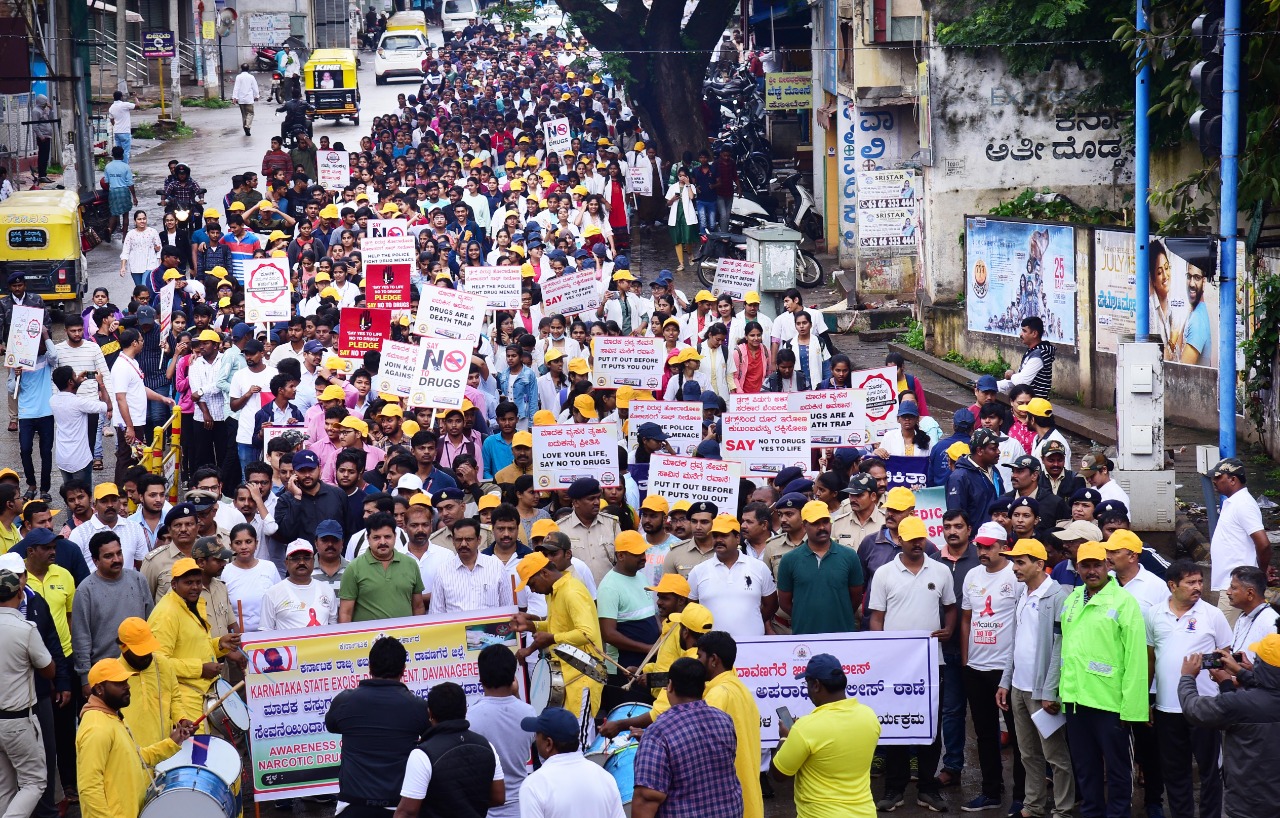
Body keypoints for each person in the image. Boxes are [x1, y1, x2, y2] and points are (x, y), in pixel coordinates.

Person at [867, 515, 954, 813]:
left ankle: (927, 788)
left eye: (922, 539)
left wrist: (950, 629)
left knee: (931, 725)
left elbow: (951, 607)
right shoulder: (884, 573)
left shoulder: (941, 571)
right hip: (895, 664)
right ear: (900, 540)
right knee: (894, 726)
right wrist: (880, 653)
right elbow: (876, 617)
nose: (919, 544)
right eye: (912, 539)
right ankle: (895, 788)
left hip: (931, 662)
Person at [1058, 540, 1148, 818]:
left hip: (1111, 706)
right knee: (1086, 770)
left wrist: (1132, 710)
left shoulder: (1124, 602)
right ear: (1078, 568)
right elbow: (1067, 651)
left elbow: (1136, 659)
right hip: (1076, 701)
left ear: (1108, 566)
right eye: (1086, 565)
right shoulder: (1072, 600)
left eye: (1097, 564)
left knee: (1119, 772)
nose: (1092, 571)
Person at [1146, 559, 1231, 818]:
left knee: (1210, 771)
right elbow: (1151, 658)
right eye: (1190, 582)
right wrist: (1146, 699)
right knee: (1175, 772)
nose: (1198, 587)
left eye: (1200, 581)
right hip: (1167, 707)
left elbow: (1225, 655)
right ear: (1172, 585)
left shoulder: (1212, 615)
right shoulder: (1154, 614)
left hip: (1204, 705)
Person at [997, 538, 1075, 818]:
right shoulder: (1023, 594)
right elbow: (1016, 642)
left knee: (1055, 756)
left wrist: (1050, 690)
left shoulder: (1058, 597)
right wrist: (1006, 681)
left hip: (1042, 692)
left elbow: (1060, 647)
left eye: (1020, 562)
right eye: (1014, 562)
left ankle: (1064, 809)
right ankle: (1033, 806)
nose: (1014, 568)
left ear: (1040, 564)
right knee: (1028, 753)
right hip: (1019, 687)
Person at [325, 637, 432, 817]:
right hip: (398, 807)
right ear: (403, 670)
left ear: (370, 667)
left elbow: (332, 725)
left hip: (351, 804)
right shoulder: (418, 706)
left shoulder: (345, 701)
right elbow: (431, 739)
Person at [75, 658, 193, 818]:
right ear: (100, 689)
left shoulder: (113, 717)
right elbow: (89, 788)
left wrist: (172, 742)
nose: (127, 686)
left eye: (126, 681)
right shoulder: (97, 728)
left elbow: (135, 759)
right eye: (119, 683)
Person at [959, 524, 1024, 813]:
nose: (982, 551)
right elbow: (965, 620)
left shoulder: (1016, 576)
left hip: (1006, 668)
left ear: (1003, 545)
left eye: (988, 546)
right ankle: (991, 791)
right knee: (984, 733)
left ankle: (1022, 794)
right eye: (979, 546)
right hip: (976, 666)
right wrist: (965, 661)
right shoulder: (972, 575)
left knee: (1019, 734)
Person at [769, 653, 881, 818]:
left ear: (816, 685)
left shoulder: (805, 728)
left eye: (806, 683)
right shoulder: (869, 717)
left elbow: (778, 774)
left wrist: (785, 738)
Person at [632, 657, 742, 818]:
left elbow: (646, 799)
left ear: (669, 686)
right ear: (704, 687)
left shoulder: (658, 733)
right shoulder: (724, 720)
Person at [511, 551, 605, 726]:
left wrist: (552, 638)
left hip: (583, 676)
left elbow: (587, 633)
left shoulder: (571, 592)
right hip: (567, 677)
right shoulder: (554, 592)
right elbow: (561, 626)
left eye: (532, 583)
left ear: (545, 573)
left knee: (580, 744)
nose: (531, 589)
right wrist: (533, 625)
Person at [146, 557, 240, 725]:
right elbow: (157, 663)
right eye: (188, 583)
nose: (195, 587)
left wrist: (219, 644)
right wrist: (200, 669)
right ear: (174, 584)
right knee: (197, 749)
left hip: (203, 697)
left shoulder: (192, 605)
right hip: (183, 702)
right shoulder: (166, 613)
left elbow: (193, 646)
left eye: (198, 582)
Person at [391, 681, 504, 818]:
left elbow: (407, 812)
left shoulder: (422, 754)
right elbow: (498, 797)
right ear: (465, 710)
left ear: (430, 714)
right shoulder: (487, 746)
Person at [0, 565, 55, 818]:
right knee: (34, 782)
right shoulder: (25, 629)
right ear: (20, 594)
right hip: (17, 720)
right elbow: (49, 669)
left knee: (5, 786)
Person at [71, 531, 154, 690]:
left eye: (119, 553)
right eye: (109, 556)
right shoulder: (85, 590)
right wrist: (85, 679)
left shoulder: (138, 580)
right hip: (106, 673)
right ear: (95, 561)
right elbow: (81, 637)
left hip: (141, 667)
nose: (116, 559)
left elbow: (151, 622)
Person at [696, 630, 764, 818]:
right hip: (749, 796)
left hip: (730, 802)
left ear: (714, 660)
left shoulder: (718, 694)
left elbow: (699, 741)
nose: (697, 662)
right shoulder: (741, 688)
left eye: (700, 656)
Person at [465, 645, 536, 818]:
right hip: (520, 807)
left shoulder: (470, 718)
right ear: (513, 676)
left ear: (481, 678)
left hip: (485, 808)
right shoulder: (529, 713)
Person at [518, 706, 626, 818]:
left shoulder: (534, 786)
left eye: (537, 734)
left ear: (548, 744)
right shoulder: (606, 778)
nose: (535, 738)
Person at [777, 501, 864, 634]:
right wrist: (805, 616)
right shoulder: (789, 560)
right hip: (804, 637)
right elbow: (784, 602)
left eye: (825, 521)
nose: (822, 527)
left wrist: (839, 613)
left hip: (842, 635)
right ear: (804, 525)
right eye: (815, 523)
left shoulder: (849, 556)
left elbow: (856, 597)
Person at [687, 515, 777, 638]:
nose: (718, 540)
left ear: (737, 538)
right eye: (715, 536)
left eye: (724, 535)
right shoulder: (698, 571)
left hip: (752, 646)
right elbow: (691, 608)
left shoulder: (758, 567)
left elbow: (771, 605)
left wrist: (751, 621)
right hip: (711, 649)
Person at [1207, 457, 1272, 626]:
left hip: (1239, 586)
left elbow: (1263, 543)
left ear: (1233, 479)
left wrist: (1259, 573)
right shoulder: (1233, 502)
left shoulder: (1243, 504)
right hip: (1234, 583)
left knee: (1222, 638)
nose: (1214, 481)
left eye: (1218, 477)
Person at [339, 512, 425, 622]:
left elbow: (418, 607)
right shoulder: (354, 568)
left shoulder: (410, 564)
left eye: (387, 537)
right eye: (376, 537)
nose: (383, 542)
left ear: (395, 536)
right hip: (368, 637)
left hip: (404, 637)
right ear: (368, 538)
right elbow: (345, 613)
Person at [114, 616, 181, 750]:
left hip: (164, 754)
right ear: (123, 647)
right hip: (130, 757)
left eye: (148, 649)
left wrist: (181, 718)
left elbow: (175, 699)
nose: (147, 656)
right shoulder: (113, 677)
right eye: (140, 651)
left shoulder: (163, 664)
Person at [429, 518, 512, 613]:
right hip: (456, 627)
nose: (463, 544)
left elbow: (507, 607)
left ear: (479, 540)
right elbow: (436, 612)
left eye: (468, 539)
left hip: (489, 627)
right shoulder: (442, 571)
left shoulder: (496, 566)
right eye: (459, 540)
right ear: (453, 541)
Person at [260, 539, 336, 629]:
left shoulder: (327, 590)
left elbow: (333, 627)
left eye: (307, 558)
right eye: (295, 558)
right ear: (286, 563)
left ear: (314, 561)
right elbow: (265, 632)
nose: (301, 562)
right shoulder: (273, 593)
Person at [558, 477, 620, 585]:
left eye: (598, 498)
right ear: (576, 502)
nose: (597, 502)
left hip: (609, 592)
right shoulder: (560, 528)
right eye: (591, 499)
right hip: (577, 595)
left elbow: (621, 560)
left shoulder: (612, 524)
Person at [946, 428, 1005, 528]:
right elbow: (955, 517)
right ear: (980, 451)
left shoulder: (994, 470)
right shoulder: (959, 477)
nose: (998, 452)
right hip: (975, 539)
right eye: (993, 449)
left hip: (997, 535)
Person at [1224, 565, 1279, 660]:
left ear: (1250, 593)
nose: (1228, 592)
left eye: (1233, 588)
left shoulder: (1271, 623)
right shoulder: (1243, 616)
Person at [998, 316, 1054, 398]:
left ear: (1034, 334)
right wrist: (992, 385)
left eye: (1024, 331)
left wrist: (1011, 375)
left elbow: (1022, 381)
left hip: (1034, 404)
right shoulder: (1033, 351)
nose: (1020, 334)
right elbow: (1016, 381)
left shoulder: (1039, 354)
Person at [232, 63, 260, 136]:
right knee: (250, 113)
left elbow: (236, 88)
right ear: (248, 69)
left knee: (244, 115)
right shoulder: (251, 77)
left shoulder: (238, 77)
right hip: (249, 99)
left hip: (241, 99)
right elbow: (255, 87)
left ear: (241, 68)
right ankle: (247, 126)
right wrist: (257, 95)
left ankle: (245, 128)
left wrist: (234, 97)